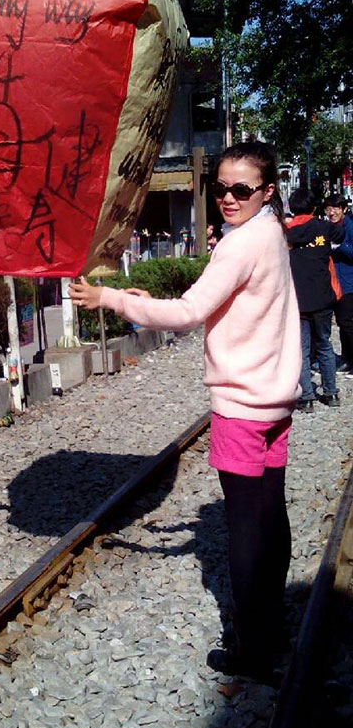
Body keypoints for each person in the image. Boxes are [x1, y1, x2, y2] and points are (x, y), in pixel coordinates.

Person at [70, 141, 301, 682]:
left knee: (245, 526)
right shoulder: (271, 231)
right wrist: (140, 293)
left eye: (241, 189)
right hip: (274, 399)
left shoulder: (241, 244)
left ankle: (252, 651)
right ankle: (273, 627)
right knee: (271, 513)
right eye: (218, 187)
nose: (227, 197)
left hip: (241, 404)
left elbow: (189, 311)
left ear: (267, 190)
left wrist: (112, 300)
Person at [286, 188, 344, 412]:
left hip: (297, 299)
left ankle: (307, 397)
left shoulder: (286, 232)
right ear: (313, 207)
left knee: (302, 348)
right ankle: (331, 393)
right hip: (322, 297)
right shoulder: (323, 228)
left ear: (292, 208)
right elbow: (340, 235)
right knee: (324, 345)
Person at [324, 194, 353, 376]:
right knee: (342, 324)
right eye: (328, 208)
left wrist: (338, 247)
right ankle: (347, 359)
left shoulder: (349, 227)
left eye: (335, 208)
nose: (331, 212)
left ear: (344, 209)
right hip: (333, 282)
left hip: (348, 283)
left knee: (347, 323)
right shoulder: (327, 227)